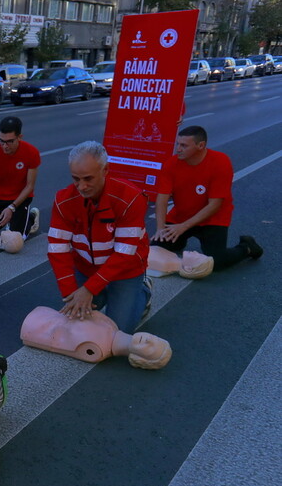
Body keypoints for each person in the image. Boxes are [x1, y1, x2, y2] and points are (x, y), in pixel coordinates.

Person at [47, 141, 151, 334]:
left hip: (125, 270)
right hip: (86, 267)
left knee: (118, 331)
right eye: (75, 179)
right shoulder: (63, 200)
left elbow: (124, 254)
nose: (82, 186)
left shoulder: (130, 198)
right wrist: (71, 293)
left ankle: (143, 292)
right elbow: (57, 249)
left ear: (105, 170)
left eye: (88, 178)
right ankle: (103, 293)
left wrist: (89, 290)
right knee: (75, 319)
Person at [152, 125, 262, 270]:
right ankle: (178, 241)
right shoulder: (171, 163)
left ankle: (247, 247)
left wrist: (182, 227)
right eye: (178, 144)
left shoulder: (220, 162)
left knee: (217, 262)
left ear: (200, 145)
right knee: (155, 250)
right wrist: (160, 228)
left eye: (184, 145)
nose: (178, 149)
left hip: (212, 219)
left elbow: (215, 204)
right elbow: (162, 198)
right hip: (181, 217)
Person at [0, 116, 41, 239]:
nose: (5, 146)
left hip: (20, 198)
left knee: (16, 239)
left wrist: (12, 207)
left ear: (19, 137)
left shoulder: (32, 152)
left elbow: (30, 185)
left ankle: (31, 217)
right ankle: (9, 221)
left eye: (9, 142)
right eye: (1, 141)